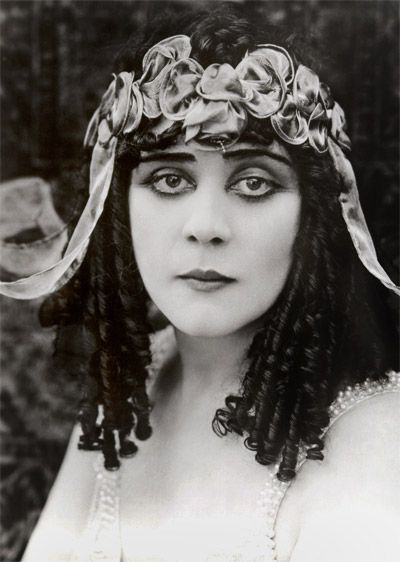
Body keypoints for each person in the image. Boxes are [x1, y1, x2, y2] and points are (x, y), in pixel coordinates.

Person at [1, 7, 399, 562]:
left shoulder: (376, 444)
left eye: (254, 182)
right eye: (169, 178)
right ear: (117, 209)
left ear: (315, 217)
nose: (205, 226)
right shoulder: (127, 391)